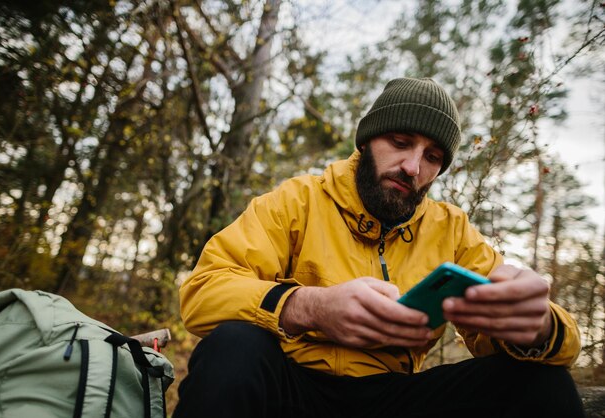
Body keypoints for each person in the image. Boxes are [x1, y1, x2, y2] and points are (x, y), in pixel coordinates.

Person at [173, 78, 585, 418]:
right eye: (401, 141)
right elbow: (202, 294)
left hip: (393, 399)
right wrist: (307, 306)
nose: (413, 167)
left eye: (433, 156)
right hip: (290, 389)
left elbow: (541, 339)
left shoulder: (452, 230)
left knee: (542, 383)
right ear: (367, 140)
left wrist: (538, 328)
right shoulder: (297, 200)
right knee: (234, 345)